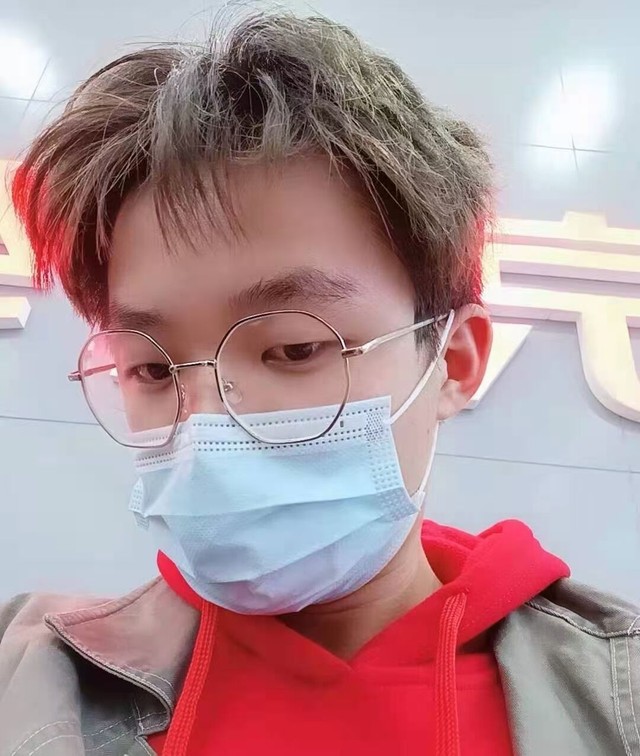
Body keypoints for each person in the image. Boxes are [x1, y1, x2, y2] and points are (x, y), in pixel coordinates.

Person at [1, 9, 638, 756]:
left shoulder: (613, 701)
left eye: (294, 349)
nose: (206, 424)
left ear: (454, 361)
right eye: (153, 369)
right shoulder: (30, 681)